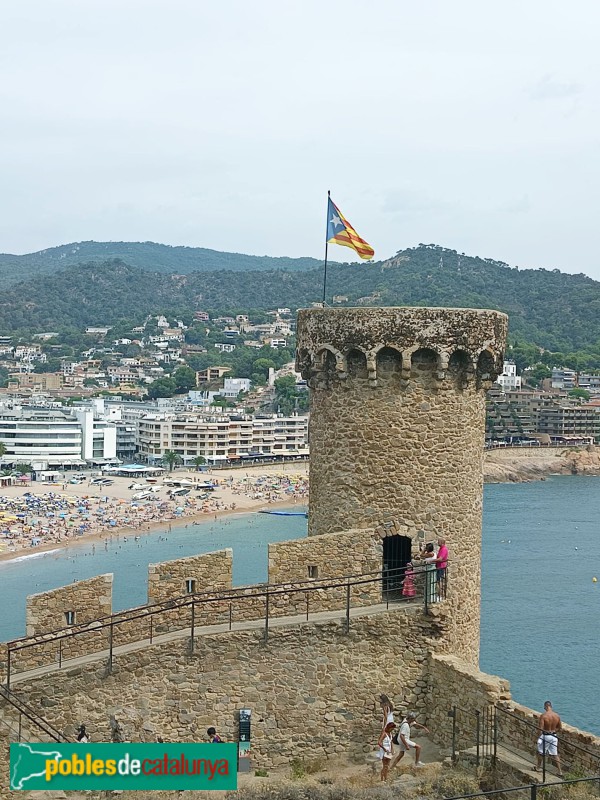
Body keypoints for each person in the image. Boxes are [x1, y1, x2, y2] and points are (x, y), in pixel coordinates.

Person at [534, 701, 563, 777]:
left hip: (546, 736)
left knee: (541, 752)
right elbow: (560, 728)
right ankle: (560, 771)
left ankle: (538, 767)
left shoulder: (543, 716)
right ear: (551, 706)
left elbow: (540, 729)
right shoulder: (557, 716)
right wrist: (553, 731)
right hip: (554, 736)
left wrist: (538, 737)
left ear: (545, 707)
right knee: (555, 754)